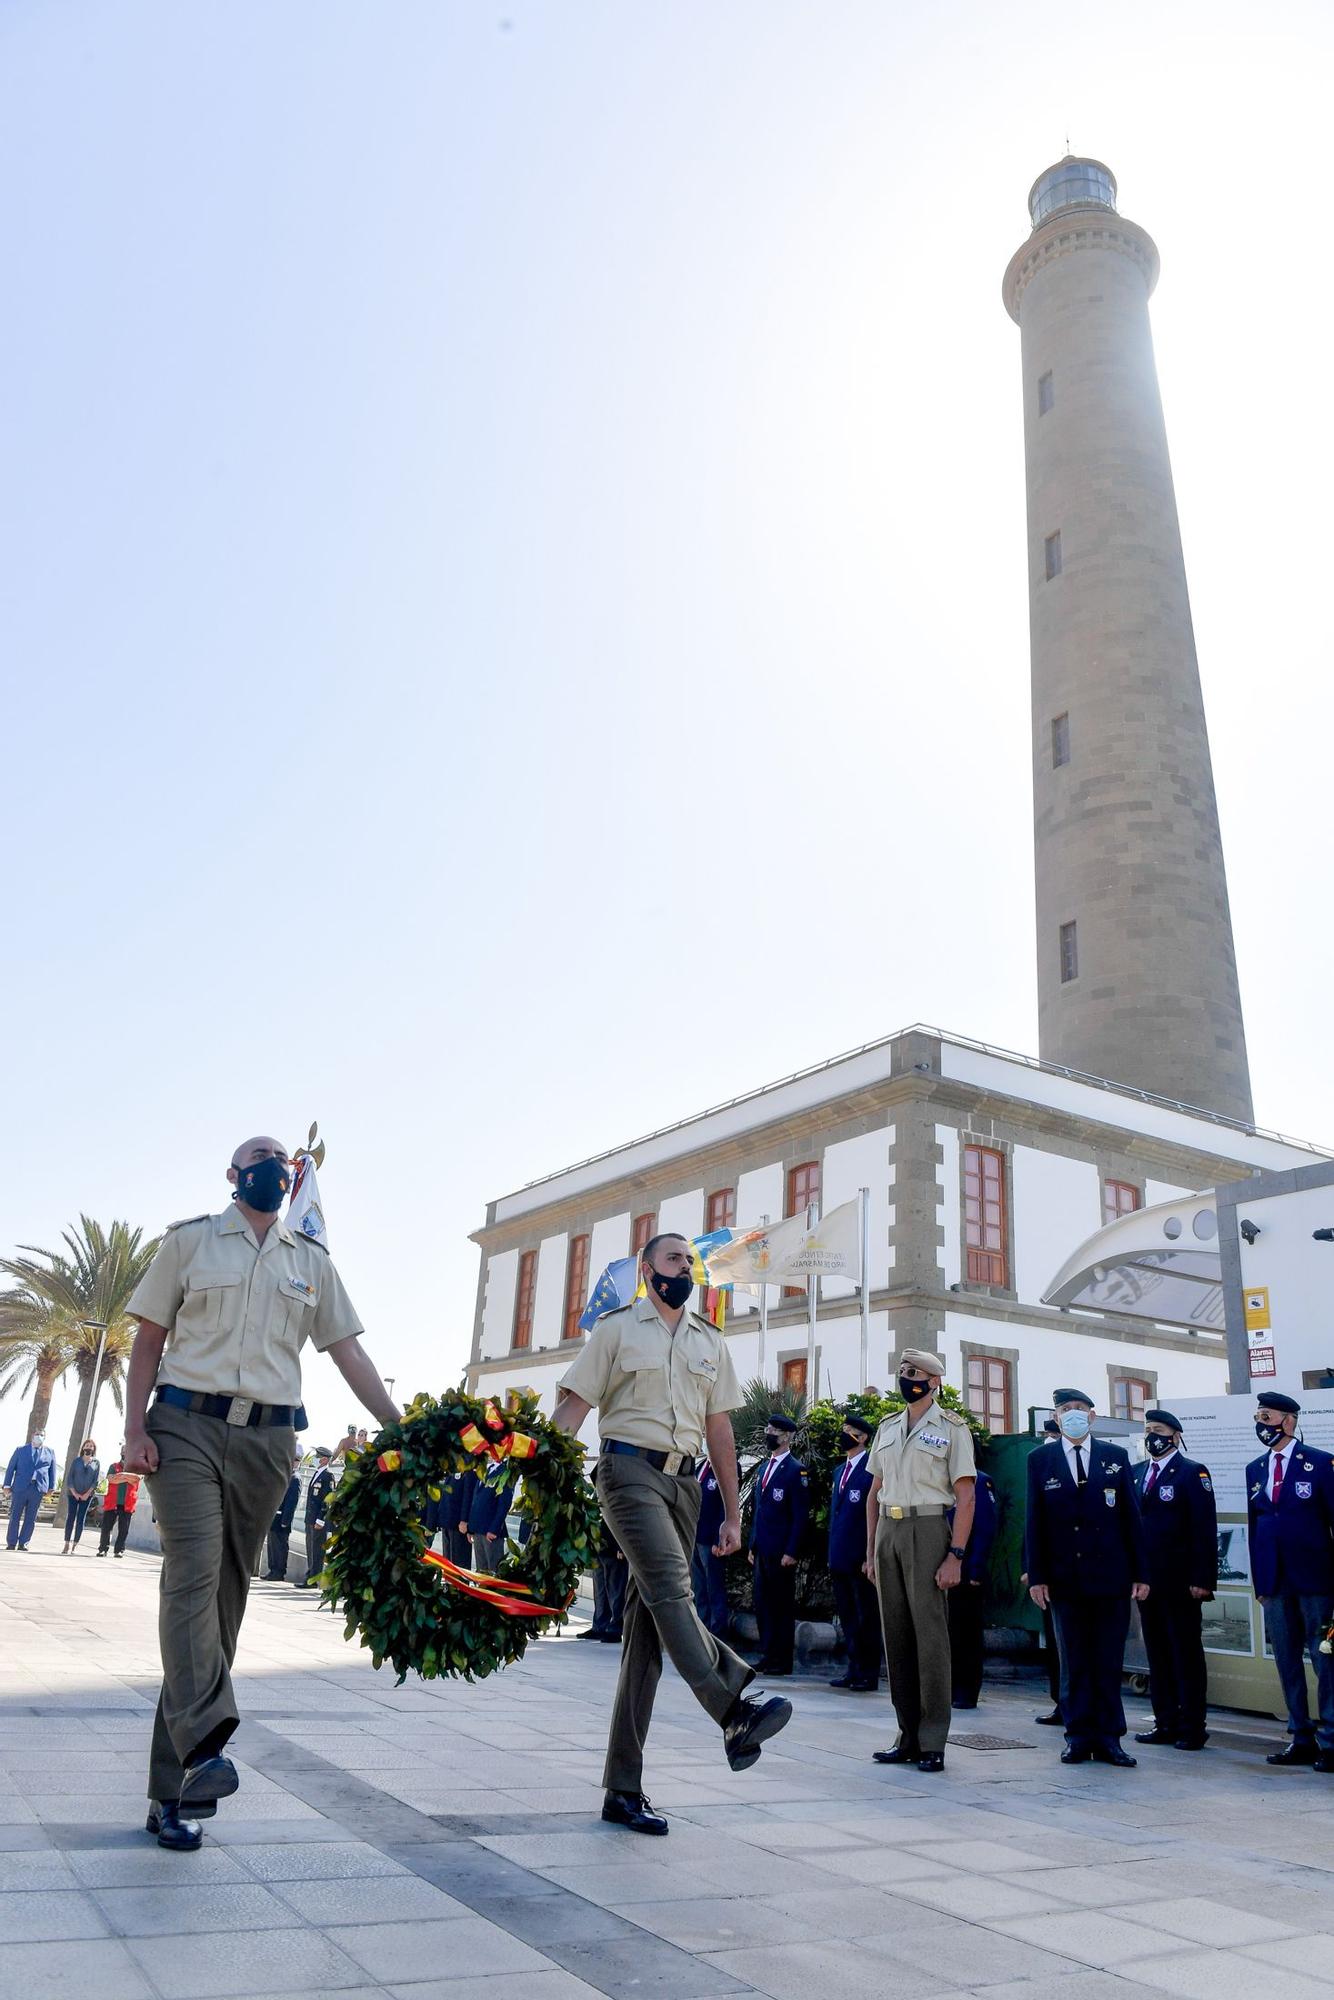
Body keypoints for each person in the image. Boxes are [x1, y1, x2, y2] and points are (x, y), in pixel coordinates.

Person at [122, 1133, 399, 1852]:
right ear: (234, 1174)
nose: (276, 1168)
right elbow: (148, 1341)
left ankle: (173, 1788)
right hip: (183, 1426)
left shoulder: (311, 1261)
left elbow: (349, 1352)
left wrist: (401, 1428)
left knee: (220, 1608)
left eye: (285, 1161)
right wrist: (132, 1431)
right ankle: (208, 1741)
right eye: (263, 1159)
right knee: (192, 1577)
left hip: (269, 1442)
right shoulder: (188, 1243)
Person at [553, 1231, 791, 1837]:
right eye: (673, 1259)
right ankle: (732, 1705)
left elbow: (721, 1434)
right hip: (627, 1471)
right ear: (646, 1268)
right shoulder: (615, 1329)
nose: (684, 1268)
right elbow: (573, 1411)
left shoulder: (711, 1341)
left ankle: (622, 1790)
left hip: (687, 1485)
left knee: (646, 1636)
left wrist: (735, 1513)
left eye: (690, 1261)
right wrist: (533, 1467)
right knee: (670, 1589)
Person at [1024, 1386, 1148, 1768]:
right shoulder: (1040, 1459)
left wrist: (1140, 1572)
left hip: (1110, 1576)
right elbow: (1035, 1522)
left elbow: (1131, 1517)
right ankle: (1078, 1736)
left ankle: (1110, 1738)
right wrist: (1038, 1575)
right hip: (1065, 1578)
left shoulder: (1114, 1457)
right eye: (1065, 1409)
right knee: (1074, 1660)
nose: (1073, 1414)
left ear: (1092, 1416)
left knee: (1108, 1660)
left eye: (1079, 1408)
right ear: (1057, 1417)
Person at [865, 1349, 975, 1773]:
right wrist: (871, 1549)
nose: (905, 1378)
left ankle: (933, 1740)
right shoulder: (888, 1426)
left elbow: (965, 1497)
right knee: (896, 1636)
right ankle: (906, 1735)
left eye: (914, 1373)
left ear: (934, 1382)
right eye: (902, 1372)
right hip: (889, 1532)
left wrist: (956, 1556)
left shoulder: (951, 1429)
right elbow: (875, 1490)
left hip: (928, 1530)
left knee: (930, 1638)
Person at [1246, 1390, 1334, 1770]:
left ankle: (1331, 1739)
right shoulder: (1255, 1468)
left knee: (1325, 1658)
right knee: (1286, 1659)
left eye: (1268, 1417)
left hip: (1316, 1579)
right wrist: (1260, 1585)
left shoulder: (1321, 1463)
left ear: (1290, 1421)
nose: (1261, 1425)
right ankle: (1300, 1736)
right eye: (1258, 1417)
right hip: (1275, 1581)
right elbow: (1255, 1529)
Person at [1132, 1408, 1217, 1751]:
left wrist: (1202, 1578)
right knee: (1157, 1654)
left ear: (1176, 1436)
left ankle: (1192, 1726)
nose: (1153, 1435)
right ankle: (1164, 1720)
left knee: (1185, 1654)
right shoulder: (1137, 1473)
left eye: (1160, 1429)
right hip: (1147, 1582)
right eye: (1149, 1429)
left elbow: (1203, 1529)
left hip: (1181, 1582)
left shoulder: (1191, 1473)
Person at [748, 1414, 809, 1676]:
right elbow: (758, 1510)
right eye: (768, 1428)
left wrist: (791, 1550)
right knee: (762, 1604)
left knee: (781, 1606)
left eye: (774, 1430)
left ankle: (782, 1659)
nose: (769, 1433)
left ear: (786, 1436)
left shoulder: (796, 1470)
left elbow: (799, 1515)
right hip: (763, 1547)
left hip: (781, 1550)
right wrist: (752, 1544)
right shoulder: (764, 1468)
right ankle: (767, 1653)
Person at [827, 1410, 880, 1691]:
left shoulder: (872, 1468)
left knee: (865, 1616)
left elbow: (872, 1514)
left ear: (862, 1438)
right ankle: (853, 1668)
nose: (844, 1435)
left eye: (849, 1431)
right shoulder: (840, 1471)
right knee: (848, 1616)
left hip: (860, 1557)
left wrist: (868, 1555)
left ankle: (868, 1672)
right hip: (840, 1555)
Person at [949, 1468, 998, 1708]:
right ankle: (948, 1688)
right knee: (948, 1633)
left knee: (966, 1634)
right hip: (943, 1570)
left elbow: (985, 1527)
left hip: (967, 1570)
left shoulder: (979, 1480)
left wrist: (976, 1568)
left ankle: (966, 1691)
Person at [1027, 1416, 1064, 1725]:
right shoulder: (1040, 1466)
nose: (1047, 1441)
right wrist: (1034, 1570)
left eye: (1050, 1435)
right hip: (1050, 1574)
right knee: (1056, 1643)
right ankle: (1062, 1701)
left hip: (1077, 1573)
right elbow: (1033, 1526)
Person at [690, 1458, 730, 1639]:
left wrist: (718, 1539)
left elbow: (725, 1506)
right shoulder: (702, 1465)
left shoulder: (726, 1465)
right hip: (695, 1537)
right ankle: (702, 1631)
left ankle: (717, 1635)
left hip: (711, 1540)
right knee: (699, 1588)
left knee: (714, 1587)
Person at [4, 1429, 57, 1550]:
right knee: (15, 1516)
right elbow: (11, 1468)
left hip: (37, 1489)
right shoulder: (20, 1450)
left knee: (31, 1518)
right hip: (20, 1488)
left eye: (42, 1435)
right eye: (37, 1434)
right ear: (32, 1436)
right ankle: (11, 1542)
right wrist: (7, 1485)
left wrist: (51, 1487)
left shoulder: (50, 1452)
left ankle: (24, 1542)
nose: (39, 1437)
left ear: (45, 1437)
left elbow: (52, 1471)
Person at [580, 1514, 628, 1642]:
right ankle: (599, 1627)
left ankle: (615, 1629)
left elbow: (624, 1518)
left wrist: (621, 1546)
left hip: (613, 1547)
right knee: (600, 1591)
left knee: (615, 1590)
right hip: (599, 1546)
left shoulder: (619, 1496)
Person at [301, 1447, 337, 1587]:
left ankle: (314, 1579)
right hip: (310, 1518)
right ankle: (310, 1575)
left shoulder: (328, 1476)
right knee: (311, 1548)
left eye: (318, 1456)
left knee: (317, 1550)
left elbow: (327, 1500)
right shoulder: (317, 1473)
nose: (315, 1458)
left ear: (324, 1459)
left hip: (318, 1520)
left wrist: (320, 1519)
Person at [265, 1453, 302, 1581]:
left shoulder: (295, 1478)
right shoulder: (286, 1475)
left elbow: (292, 1502)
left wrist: (286, 1520)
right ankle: (273, 1569)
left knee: (280, 1546)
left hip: (282, 1518)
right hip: (275, 1516)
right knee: (272, 1545)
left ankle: (279, 1571)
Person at [467, 1466, 510, 1574]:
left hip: (490, 1532)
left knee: (494, 1571)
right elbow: (476, 1500)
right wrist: (471, 1528)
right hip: (478, 1529)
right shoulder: (486, 1470)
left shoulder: (504, 1471)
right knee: (481, 1571)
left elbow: (504, 1504)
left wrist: (494, 1529)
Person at [63, 1439, 102, 1553]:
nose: (89, 1447)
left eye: (91, 1446)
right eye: (87, 1445)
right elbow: (70, 1478)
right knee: (71, 1517)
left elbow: (95, 1481)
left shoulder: (96, 1463)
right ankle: (66, 1543)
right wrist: (74, 1492)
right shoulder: (76, 1461)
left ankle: (75, 1544)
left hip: (87, 1496)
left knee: (81, 1518)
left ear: (94, 1449)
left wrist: (87, 1494)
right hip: (73, 1494)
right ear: (83, 1447)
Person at [97, 1456, 141, 1556]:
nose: (125, 1452)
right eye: (123, 1450)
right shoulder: (113, 1466)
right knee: (106, 1527)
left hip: (128, 1503)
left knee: (124, 1529)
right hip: (112, 1501)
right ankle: (103, 1549)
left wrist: (121, 1476)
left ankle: (119, 1550)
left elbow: (137, 1479)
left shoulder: (137, 1467)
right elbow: (111, 1480)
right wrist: (128, 1478)